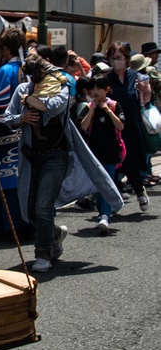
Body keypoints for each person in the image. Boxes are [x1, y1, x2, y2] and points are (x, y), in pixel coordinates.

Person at [3, 54, 123, 271]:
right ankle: (56, 233)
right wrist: (21, 118)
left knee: (43, 205)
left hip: (57, 155)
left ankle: (43, 254)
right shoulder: (22, 89)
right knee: (29, 210)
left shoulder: (63, 84)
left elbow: (56, 106)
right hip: (31, 157)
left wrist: (31, 101)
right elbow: (8, 117)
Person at [105, 41, 152, 211]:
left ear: (126, 59)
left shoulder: (136, 77)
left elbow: (146, 100)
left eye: (118, 57)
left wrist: (146, 91)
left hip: (132, 124)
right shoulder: (106, 79)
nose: (115, 61)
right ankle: (115, 200)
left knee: (131, 159)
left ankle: (139, 191)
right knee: (117, 161)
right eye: (112, 58)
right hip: (113, 125)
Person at [78, 75, 125, 235]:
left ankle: (104, 216)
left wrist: (107, 110)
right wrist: (92, 109)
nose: (96, 92)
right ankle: (104, 212)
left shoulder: (114, 106)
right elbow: (83, 126)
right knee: (97, 186)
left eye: (99, 88)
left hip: (111, 153)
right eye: (93, 89)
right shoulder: (88, 106)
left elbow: (121, 126)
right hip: (94, 153)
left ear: (107, 90)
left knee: (106, 183)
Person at [0, 27, 26, 122]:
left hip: (10, 124)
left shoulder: (6, 70)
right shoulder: (28, 68)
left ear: (6, 49)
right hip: (26, 122)